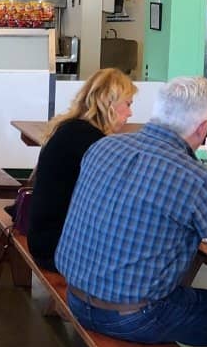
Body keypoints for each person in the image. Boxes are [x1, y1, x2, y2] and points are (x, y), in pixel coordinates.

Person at [56, 76, 207, 347]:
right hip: (130, 316)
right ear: (203, 127)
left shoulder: (103, 148)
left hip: (76, 296)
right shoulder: (194, 178)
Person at [27, 68, 135, 271]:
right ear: (109, 103)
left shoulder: (71, 128)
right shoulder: (90, 141)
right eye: (128, 104)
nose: (130, 113)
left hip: (44, 236)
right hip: (58, 248)